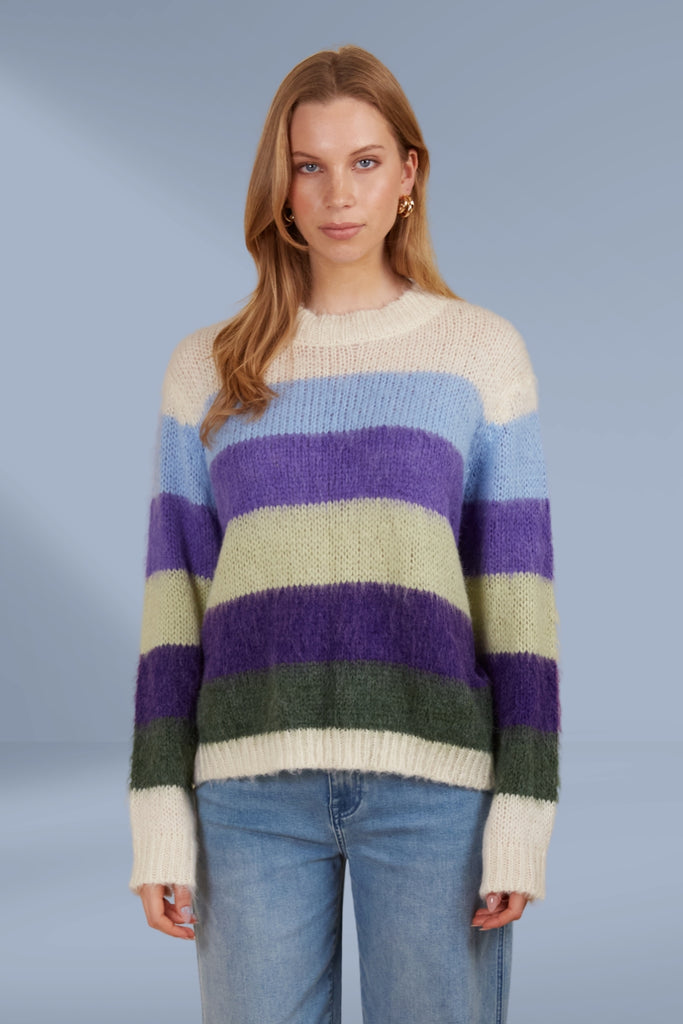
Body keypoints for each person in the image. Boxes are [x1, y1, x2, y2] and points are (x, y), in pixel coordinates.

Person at [127, 44, 561, 1024]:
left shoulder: (478, 354)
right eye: (309, 165)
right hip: (246, 797)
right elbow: (173, 606)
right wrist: (158, 813)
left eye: (364, 161)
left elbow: (517, 608)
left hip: (434, 792)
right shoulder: (207, 369)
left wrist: (522, 814)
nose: (337, 194)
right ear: (278, 186)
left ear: (408, 173)